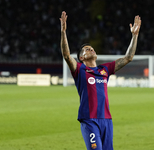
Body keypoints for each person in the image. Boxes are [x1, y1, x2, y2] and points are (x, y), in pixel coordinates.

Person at [59, 11, 141, 150]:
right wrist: (63, 32)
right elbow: (66, 55)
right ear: (82, 58)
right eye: (86, 50)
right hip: (89, 119)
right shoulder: (79, 70)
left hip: (107, 120)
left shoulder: (105, 69)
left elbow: (128, 58)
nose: (90, 49)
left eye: (91, 48)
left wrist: (134, 36)